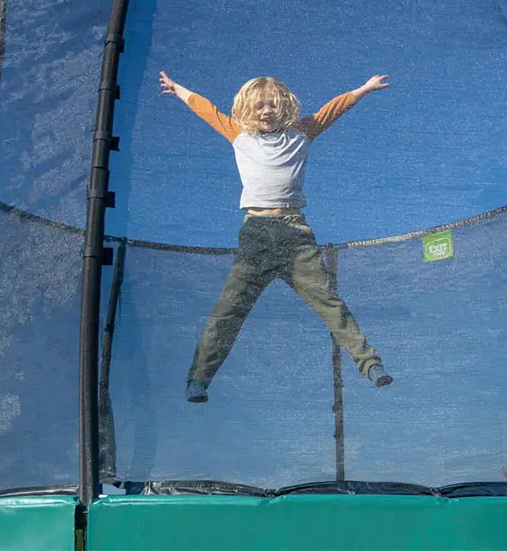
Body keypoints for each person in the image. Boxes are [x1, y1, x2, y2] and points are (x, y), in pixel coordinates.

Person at [159, 70, 393, 403]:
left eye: (272, 105)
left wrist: (365, 89)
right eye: (258, 106)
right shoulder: (238, 133)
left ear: (284, 107)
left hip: (296, 235)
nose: (266, 111)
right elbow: (206, 109)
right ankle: (198, 379)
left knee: (329, 303)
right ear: (246, 109)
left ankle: (370, 364)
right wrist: (178, 89)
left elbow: (333, 108)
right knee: (228, 311)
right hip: (256, 236)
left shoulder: (302, 132)